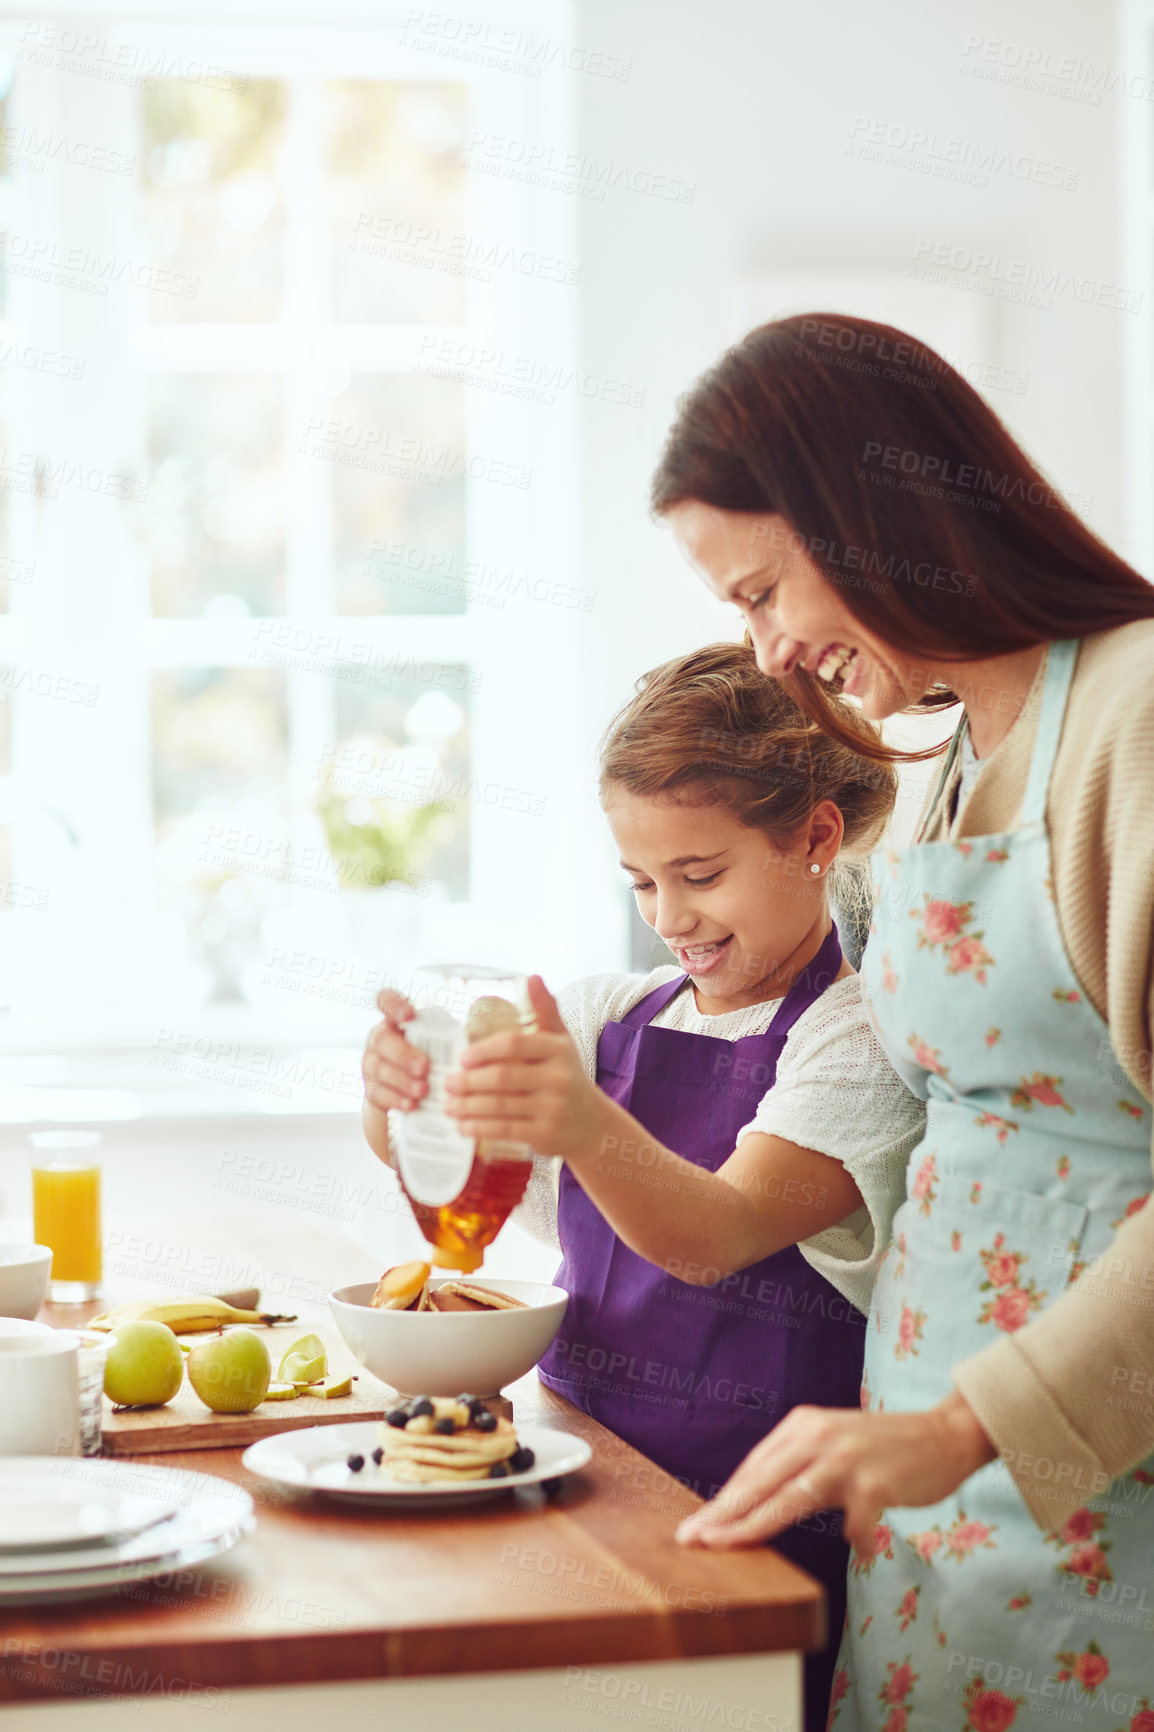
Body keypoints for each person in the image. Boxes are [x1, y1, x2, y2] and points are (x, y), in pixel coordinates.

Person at [651, 314, 1154, 1723]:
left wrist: (964, 1426)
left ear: (871, 514)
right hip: (935, 1503)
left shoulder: (1136, 717)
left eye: (762, 594)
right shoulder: (945, 763)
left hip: (1096, 1481)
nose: (766, 657)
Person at [361, 642, 925, 1732]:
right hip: (582, 1491)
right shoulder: (605, 1013)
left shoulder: (854, 1036)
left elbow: (716, 1231)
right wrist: (395, 1098)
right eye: (641, 882)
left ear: (814, 838)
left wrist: (579, 1118)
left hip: (754, 1538)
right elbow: (450, 1169)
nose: (668, 915)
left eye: (699, 874)